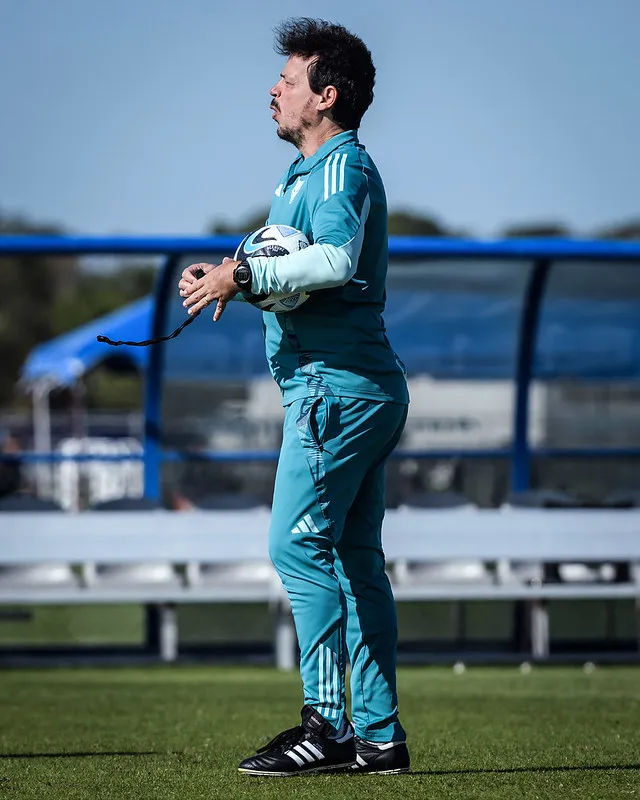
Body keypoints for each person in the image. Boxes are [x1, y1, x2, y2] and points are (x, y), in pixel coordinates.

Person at [179, 17, 410, 776]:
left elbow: (336, 260)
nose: (273, 89)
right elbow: (298, 266)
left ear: (327, 96)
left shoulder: (341, 167)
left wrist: (245, 276)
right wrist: (234, 274)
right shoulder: (303, 179)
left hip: (334, 391)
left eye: (288, 79)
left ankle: (328, 728)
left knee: (293, 545)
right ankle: (378, 739)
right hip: (355, 387)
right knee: (353, 563)